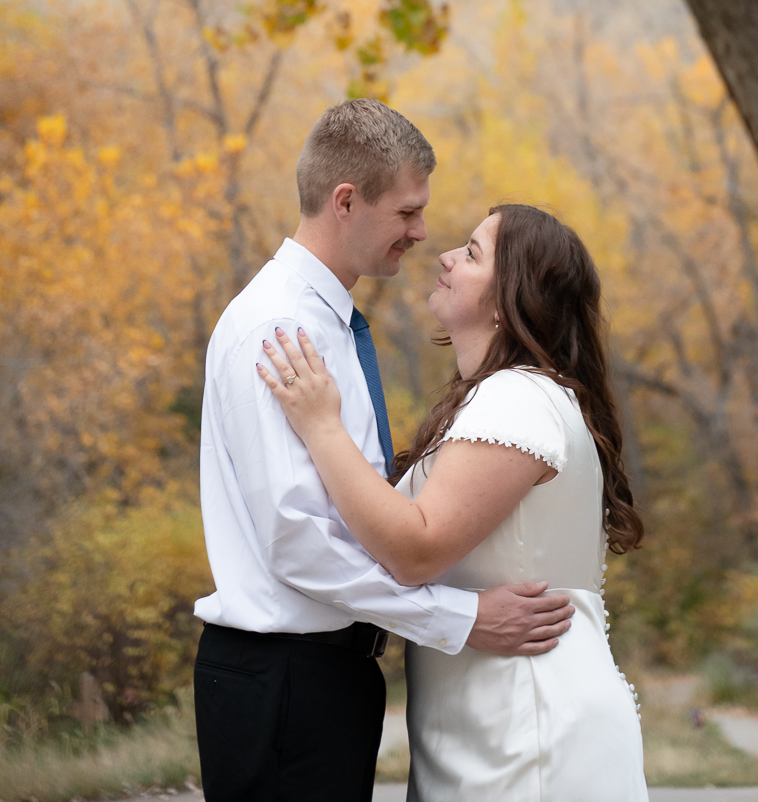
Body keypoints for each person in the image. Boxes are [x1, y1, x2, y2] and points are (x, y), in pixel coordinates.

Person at [194, 100, 575, 802]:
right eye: (406, 212)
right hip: (284, 680)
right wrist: (459, 619)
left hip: (327, 676)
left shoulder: (328, 323)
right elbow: (297, 542)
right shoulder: (280, 329)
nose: (421, 233)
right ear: (345, 202)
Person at [258, 200, 649, 802]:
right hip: (490, 725)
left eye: (471, 253)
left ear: (506, 301)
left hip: (529, 729)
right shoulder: (508, 398)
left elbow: (415, 549)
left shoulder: (518, 398)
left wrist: (321, 426)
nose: (444, 256)